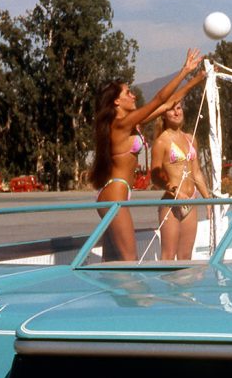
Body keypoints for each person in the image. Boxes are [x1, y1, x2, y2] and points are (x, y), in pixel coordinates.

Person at [89, 48, 205, 260]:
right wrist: (183, 71)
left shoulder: (131, 123)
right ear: (116, 102)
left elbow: (168, 103)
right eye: (128, 93)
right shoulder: (121, 124)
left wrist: (196, 79)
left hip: (117, 193)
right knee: (129, 260)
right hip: (114, 195)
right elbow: (159, 99)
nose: (133, 95)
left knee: (114, 264)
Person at [151, 100, 212, 260]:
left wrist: (208, 201)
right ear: (163, 115)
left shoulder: (190, 138)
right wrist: (174, 190)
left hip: (191, 201)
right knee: (168, 256)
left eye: (179, 108)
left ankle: (185, 280)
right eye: (172, 110)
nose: (177, 112)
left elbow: (196, 172)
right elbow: (154, 176)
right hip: (171, 203)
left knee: (186, 257)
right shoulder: (161, 142)